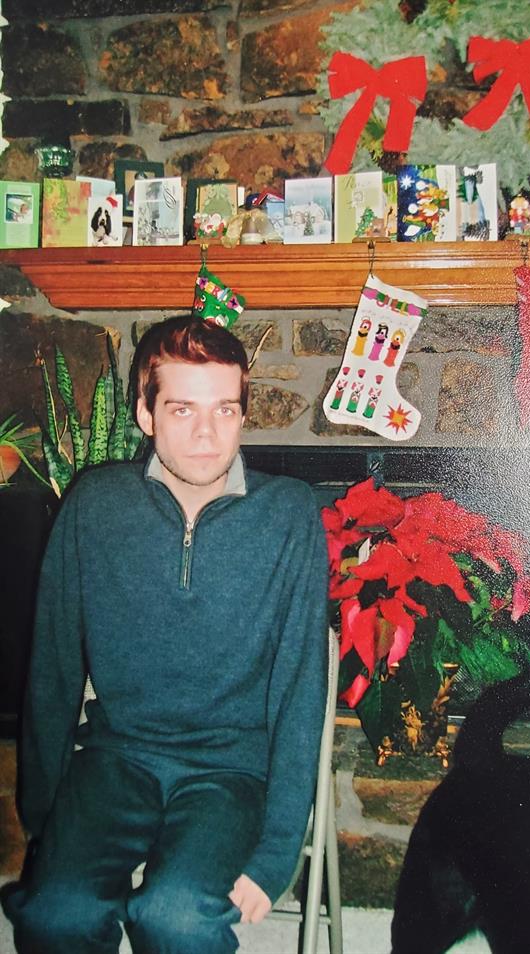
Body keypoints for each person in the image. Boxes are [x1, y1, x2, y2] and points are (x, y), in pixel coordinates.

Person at [6, 315, 329, 954]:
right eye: (182, 409)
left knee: (175, 916)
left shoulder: (289, 515)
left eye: (226, 411)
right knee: (53, 914)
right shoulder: (95, 505)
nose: (208, 436)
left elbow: (300, 690)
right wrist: (46, 821)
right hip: (116, 757)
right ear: (146, 414)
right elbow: (53, 666)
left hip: (233, 770)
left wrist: (276, 850)